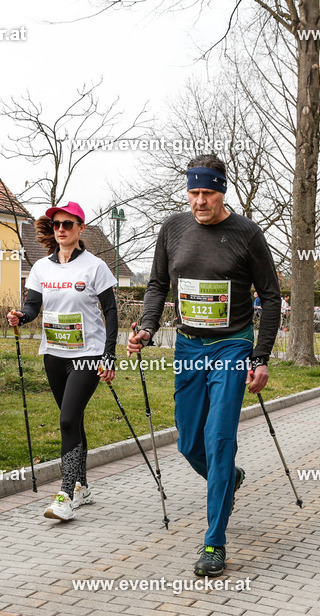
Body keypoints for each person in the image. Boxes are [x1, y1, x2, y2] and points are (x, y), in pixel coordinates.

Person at [127, 154, 281, 577]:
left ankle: (214, 542)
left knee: (217, 439)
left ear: (222, 191)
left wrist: (261, 357)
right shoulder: (173, 229)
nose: (199, 201)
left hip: (232, 347)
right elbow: (158, 284)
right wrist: (146, 327)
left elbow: (271, 297)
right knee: (188, 442)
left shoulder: (247, 234)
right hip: (188, 348)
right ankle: (229, 478)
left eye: (207, 193)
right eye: (193, 192)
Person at [8, 202, 118, 521]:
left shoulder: (95, 266)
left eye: (68, 224)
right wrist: (21, 316)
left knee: (68, 420)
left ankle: (66, 494)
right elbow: (33, 307)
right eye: (56, 224)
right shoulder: (42, 268)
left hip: (88, 354)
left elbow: (110, 311)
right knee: (75, 418)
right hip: (54, 354)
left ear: (81, 228)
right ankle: (83, 485)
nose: (61, 230)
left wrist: (109, 355)